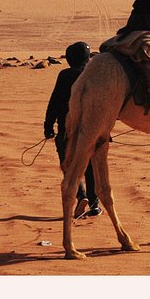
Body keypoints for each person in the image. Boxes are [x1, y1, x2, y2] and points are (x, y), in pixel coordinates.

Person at [43, 41, 101, 218]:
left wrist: (48, 126)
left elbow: (54, 102)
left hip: (66, 131)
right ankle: (94, 204)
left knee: (69, 166)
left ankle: (80, 194)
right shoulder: (93, 76)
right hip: (92, 131)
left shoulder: (64, 75)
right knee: (91, 168)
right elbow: (102, 106)